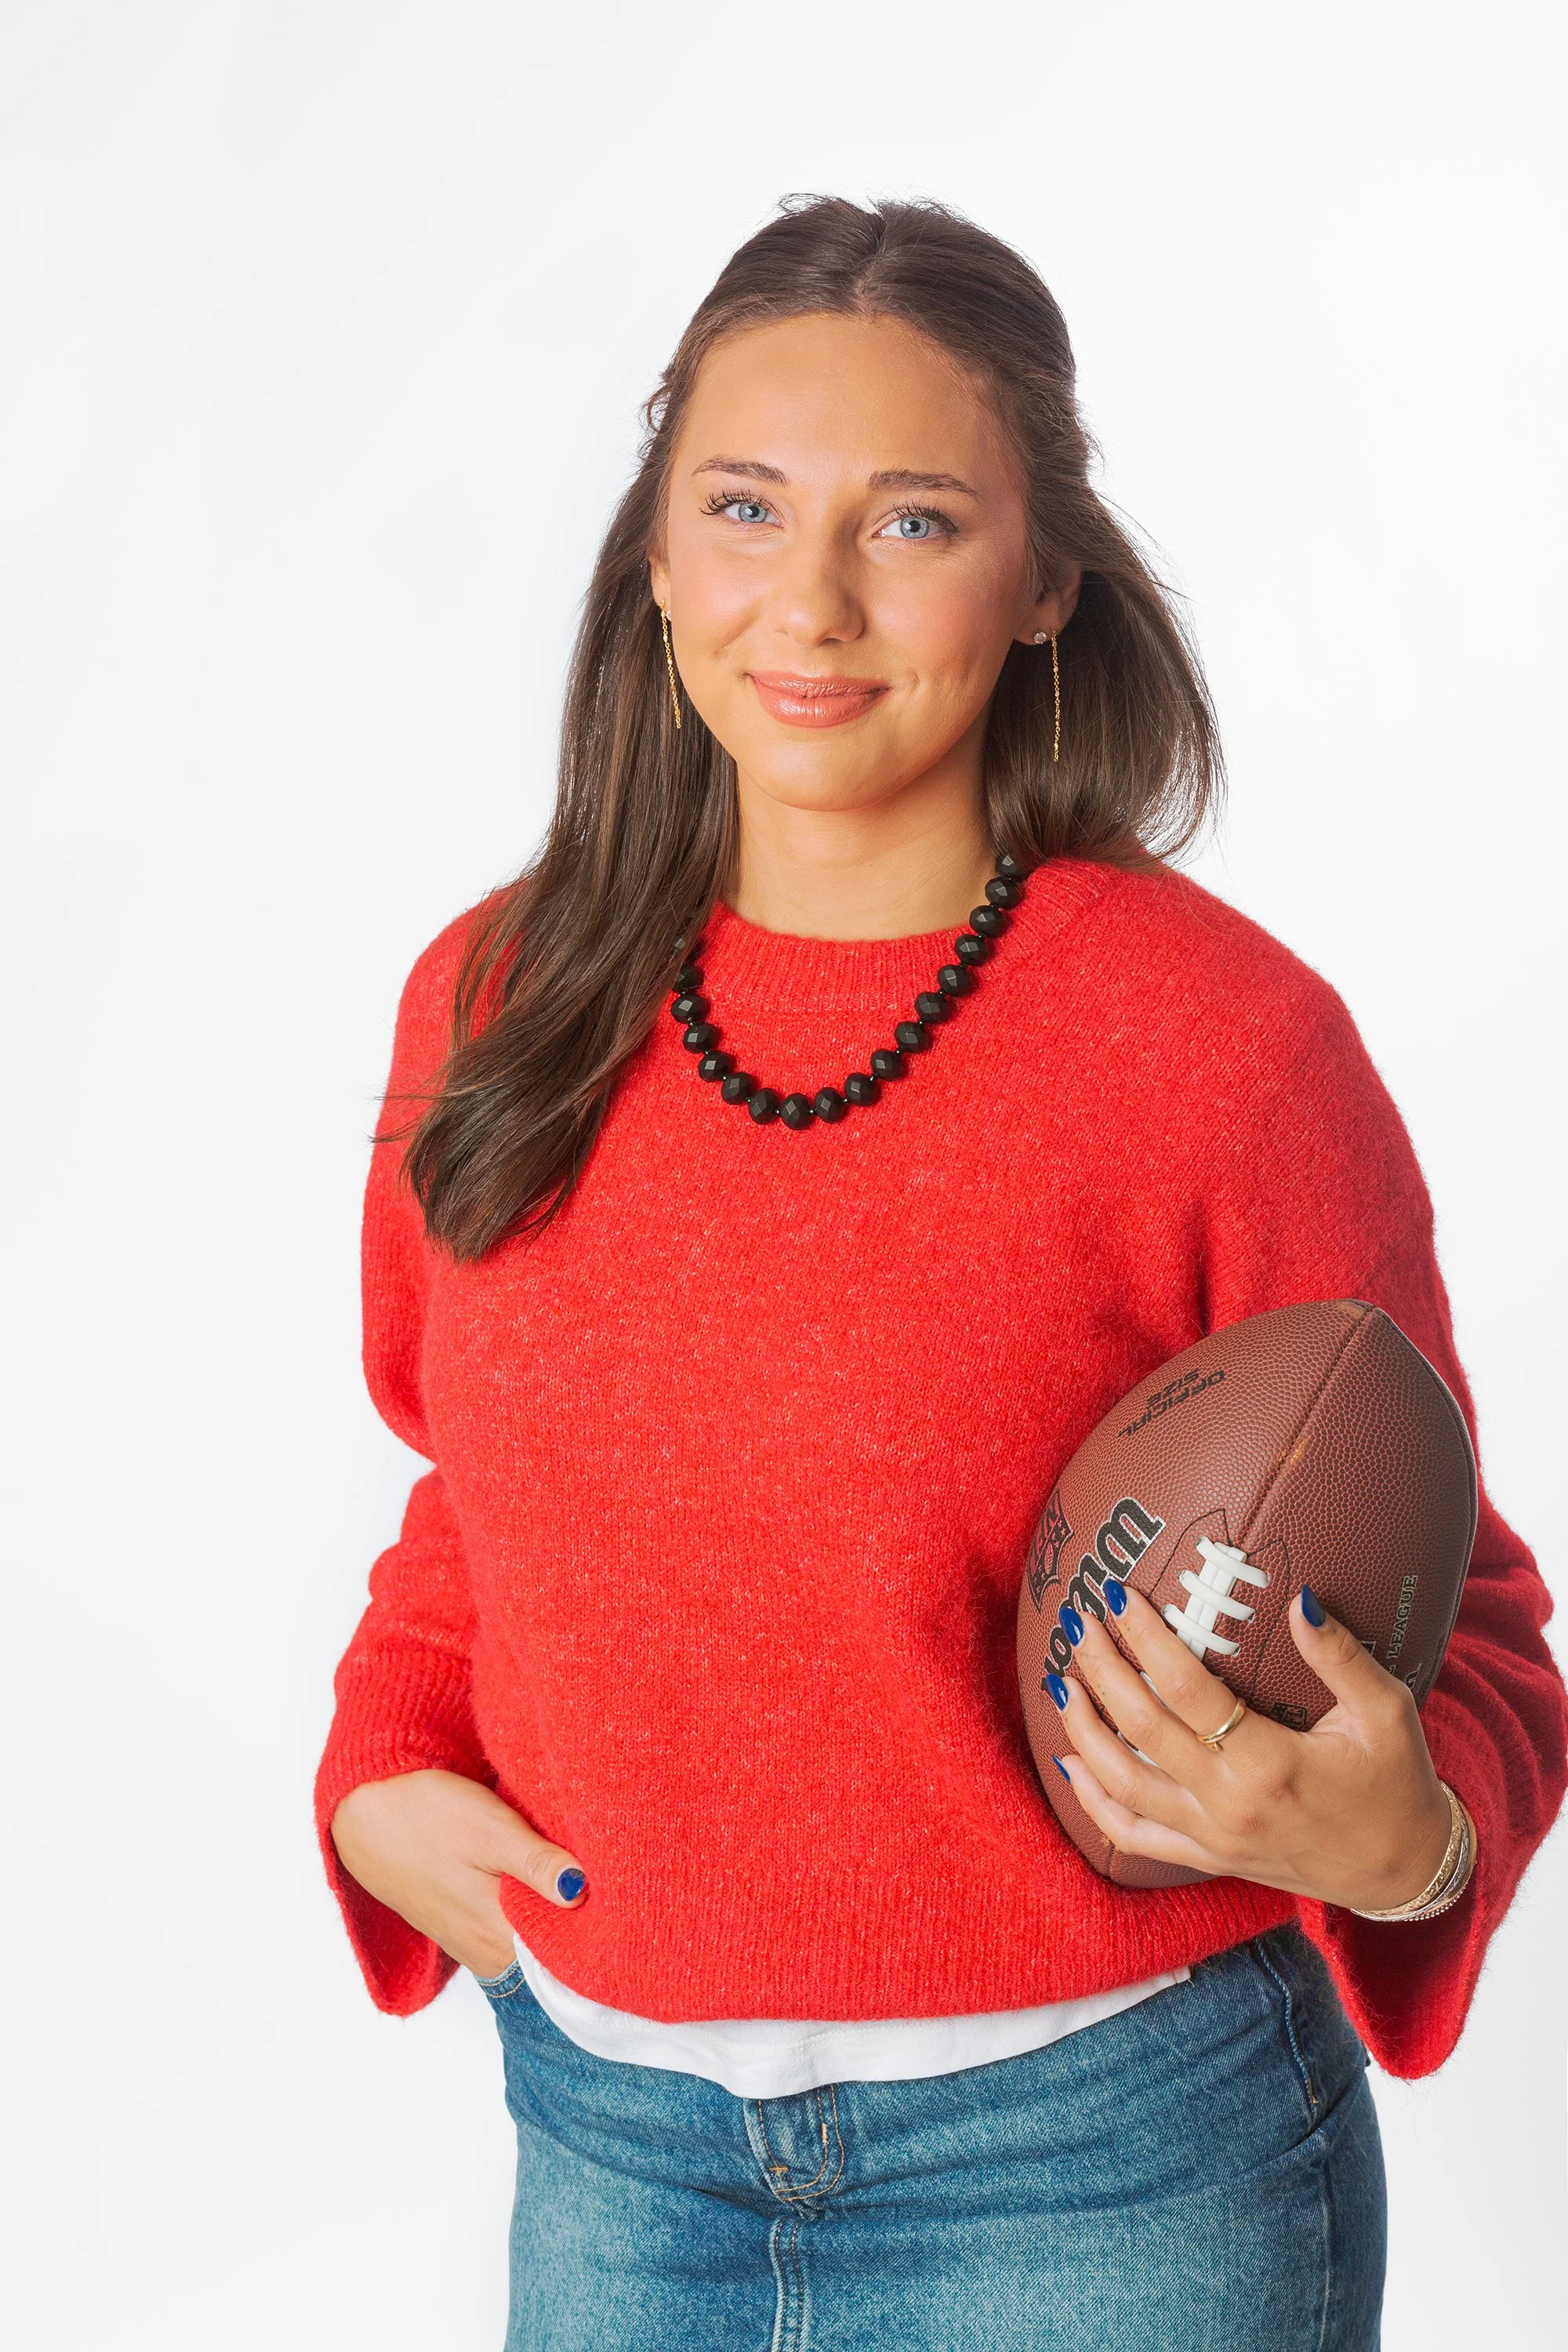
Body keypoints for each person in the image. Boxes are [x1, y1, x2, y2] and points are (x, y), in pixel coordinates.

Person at [315, 197, 1566, 2351]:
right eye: (743, 506)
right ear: (655, 550)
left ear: (1048, 572)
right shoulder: (497, 997)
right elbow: (472, 1489)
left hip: (1115, 2171)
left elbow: (1478, 1623)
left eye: (910, 521)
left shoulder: (1216, 1044)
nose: (807, 602)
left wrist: (1407, 1842)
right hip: (615, 2158)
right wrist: (371, 1766)